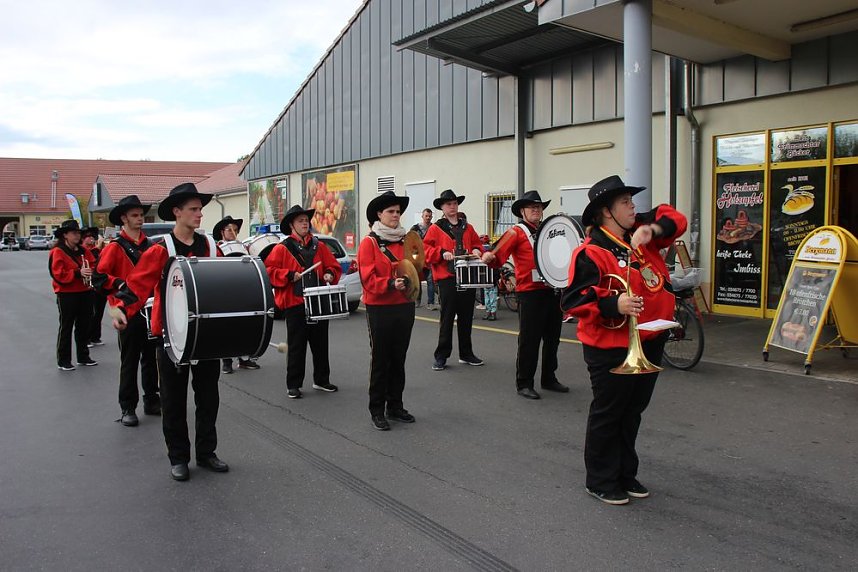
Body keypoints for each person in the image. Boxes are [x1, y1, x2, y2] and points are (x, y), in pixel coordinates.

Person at [560, 175, 687, 505]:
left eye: (632, 202)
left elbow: (676, 218)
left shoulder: (640, 236)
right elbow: (575, 299)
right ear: (606, 212)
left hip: (650, 339)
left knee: (633, 412)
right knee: (610, 412)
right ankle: (600, 479)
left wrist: (653, 230)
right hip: (611, 345)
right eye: (625, 203)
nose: (633, 208)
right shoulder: (591, 252)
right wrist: (612, 304)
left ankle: (625, 473)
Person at [110, 182, 228, 482]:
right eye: (193, 209)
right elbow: (138, 283)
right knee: (173, 401)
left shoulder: (211, 247)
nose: (199, 214)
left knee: (208, 397)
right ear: (177, 212)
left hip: (205, 335)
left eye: (201, 209)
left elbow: (225, 283)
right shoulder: (162, 248)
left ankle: (206, 452)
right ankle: (178, 457)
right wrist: (121, 307)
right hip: (171, 336)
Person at [482, 190, 566, 399]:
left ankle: (549, 378)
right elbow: (497, 255)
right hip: (530, 293)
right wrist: (489, 256)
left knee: (552, 338)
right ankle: (524, 383)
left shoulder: (548, 230)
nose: (536, 210)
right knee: (529, 340)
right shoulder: (516, 232)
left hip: (552, 290)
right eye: (532, 207)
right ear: (522, 211)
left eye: (539, 207)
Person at [264, 205, 342, 399]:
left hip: (318, 301)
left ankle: (321, 380)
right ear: (291, 225)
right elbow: (269, 271)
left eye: (307, 220)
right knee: (297, 345)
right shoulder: (281, 248)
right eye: (301, 221)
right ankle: (293, 384)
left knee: (320, 343)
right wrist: (289, 275)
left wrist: (329, 273)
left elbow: (333, 266)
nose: (305, 223)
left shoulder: (319, 246)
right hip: (295, 302)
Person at [96, 195, 160, 427]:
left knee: (151, 359)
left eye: (141, 215)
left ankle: (152, 400)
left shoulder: (151, 246)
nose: (140, 218)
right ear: (123, 219)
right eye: (135, 215)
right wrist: (120, 285)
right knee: (129, 360)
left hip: (150, 309)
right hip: (125, 311)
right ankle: (127, 407)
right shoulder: (114, 248)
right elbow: (99, 277)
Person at [357, 191, 417, 430]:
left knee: (398, 359)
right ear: (379, 215)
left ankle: (395, 406)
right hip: (380, 308)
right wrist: (391, 283)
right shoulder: (368, 243)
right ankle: (377, 410)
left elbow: (417, 268)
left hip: (405, 306)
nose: (396, 215)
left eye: (398, 211)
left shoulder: (407, 241)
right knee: (381, 360)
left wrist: (416, 276)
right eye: (391, 212)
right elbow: (367, 279)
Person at [422, 189, 484, 371]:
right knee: (447, 318)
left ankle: (466, 353)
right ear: (442, 207)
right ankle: (441, 355)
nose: (453, 207)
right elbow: (425, 250)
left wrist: (478, 250)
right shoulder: (435, 228)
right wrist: (441, 253)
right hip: (447, 278)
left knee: (466, 317)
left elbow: (476, 244)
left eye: (455, 203)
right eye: (449, 204)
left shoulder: (468, 227)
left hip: (467, 275)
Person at [212, 215, 261, 375]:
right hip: (224, 291)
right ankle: (226, 361)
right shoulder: (217, 248)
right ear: (222, 232)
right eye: (229, 229)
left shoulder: (243, 247)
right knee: (226, 327)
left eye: (235, 229)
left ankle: (244, 358)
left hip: (242, 289)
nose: (233, 232)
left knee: (243, 325)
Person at [49, 219, 98, 371]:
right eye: (74, 233)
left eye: (78, 233)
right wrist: (78, 272)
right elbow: (58, 274)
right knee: (66, 326)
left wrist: (92, 271)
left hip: (85, 292)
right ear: (65, 235)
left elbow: (94, 264)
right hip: (66, 294)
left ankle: (83, 356)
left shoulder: (84, 251)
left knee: (84, 326)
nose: (78, 236)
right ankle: (63, 360)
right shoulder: (58, 252)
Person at [81, 227, 107, 347]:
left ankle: (96, 336)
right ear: (83, 239)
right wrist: (98, 248)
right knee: (90, 313)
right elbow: (90, 259)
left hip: (100, 284)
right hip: (88, 286)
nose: (92, 239)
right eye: (89, 237)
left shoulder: (97, 249)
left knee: (99, 312)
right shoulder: (83, 250)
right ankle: (87, 338)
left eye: (93, 237)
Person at [409, 208, 436, 309]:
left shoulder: (434, 227)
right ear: (422, 216)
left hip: (429, 257)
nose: (428, 218)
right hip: (418, 257)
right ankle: (417, 301)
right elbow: (410, 241)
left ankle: (431, 303)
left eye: (429, 216)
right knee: (417, 279)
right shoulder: (415, 228)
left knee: (430, 280)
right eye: (426, 216)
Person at [478, 234, 498, 321]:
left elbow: (496, 273)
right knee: (488, 298)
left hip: (491, 282)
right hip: (487, 282)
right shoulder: (485, 265)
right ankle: (488, 312)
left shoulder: (493, 265)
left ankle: (492, 313)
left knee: (492, 298)